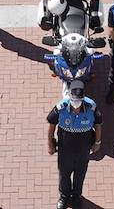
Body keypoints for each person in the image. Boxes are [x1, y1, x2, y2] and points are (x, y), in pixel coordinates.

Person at [46, 80, 101, 209]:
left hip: (84, 144)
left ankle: (76, 196)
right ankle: (64, 196)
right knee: (64, 173)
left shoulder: (91, 106)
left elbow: (98, 124)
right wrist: (50, 143)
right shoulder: (61, 106)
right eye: (74, 100)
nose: (76, 104)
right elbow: (51, 124)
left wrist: (97, 142)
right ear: (69, 95)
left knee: (80, 173)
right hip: (66, 145)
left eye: (79, 100)